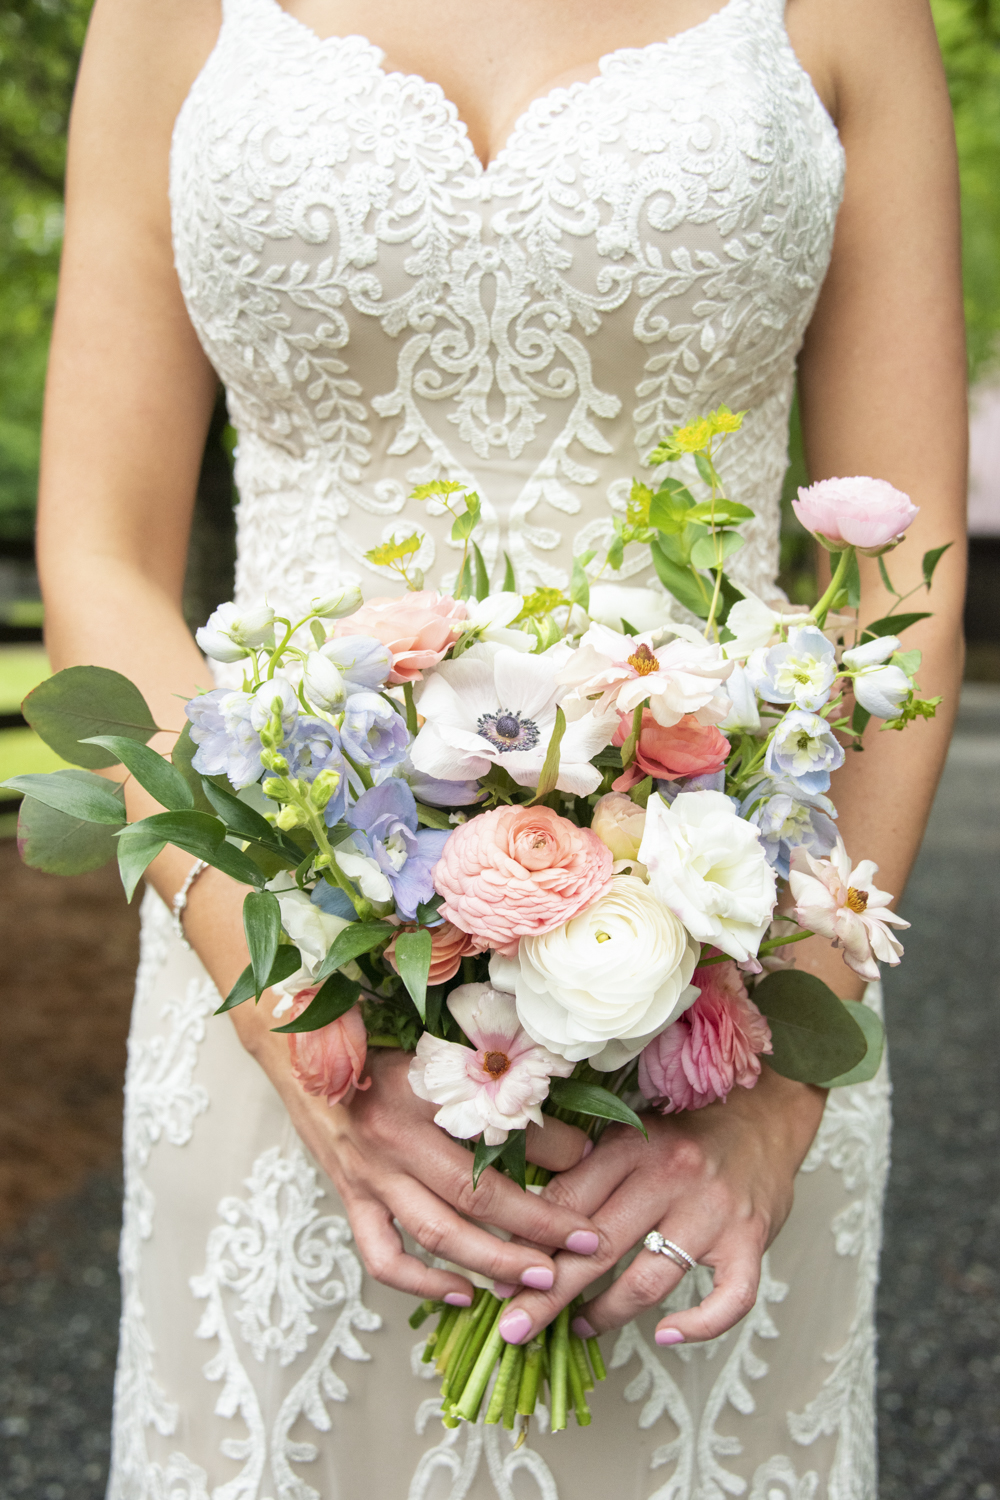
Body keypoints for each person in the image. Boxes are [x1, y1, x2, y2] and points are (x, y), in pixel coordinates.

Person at [37, 0, 966, 1493]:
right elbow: (99, 549)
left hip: (719, 1025)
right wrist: (294, 1015)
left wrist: (782, 1091)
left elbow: (898, 588)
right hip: (269, 977)